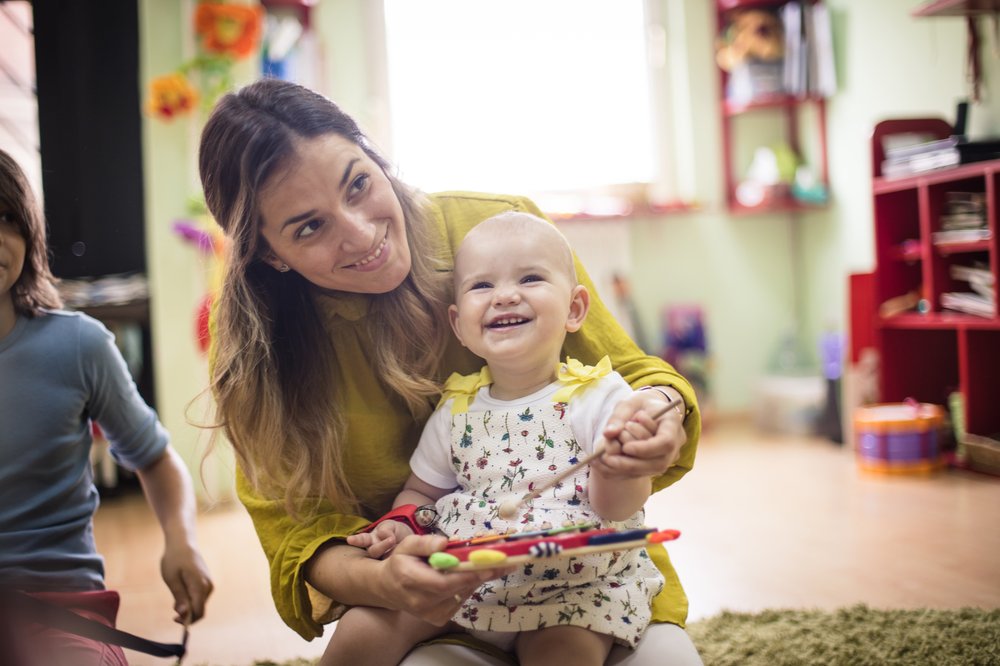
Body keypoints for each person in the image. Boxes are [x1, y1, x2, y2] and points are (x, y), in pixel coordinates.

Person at [198, 78, 702, 665]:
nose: (362, 235)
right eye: (309, 227)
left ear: (375, 157)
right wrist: (386, 574)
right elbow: (300, 535)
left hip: (588, 587)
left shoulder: (500, 231)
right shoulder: (259, 359)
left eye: (358, 184)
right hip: (435, 605)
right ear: (268, 254)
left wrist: (656, 419)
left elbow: (638, 380)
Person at [332, 211, 669, 665]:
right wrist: (402, 523)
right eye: (481, 286)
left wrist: (615, 465)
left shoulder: (601, 397)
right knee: (363, 629)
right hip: (469, 578)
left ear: (574, 310)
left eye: (529, 278)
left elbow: (618, 507)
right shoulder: (456, 407)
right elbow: (421, 491)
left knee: (563, 653)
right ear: (458, 325)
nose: (505, 296)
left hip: (573, 585)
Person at [0, 149, 214, 665]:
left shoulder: (78, 346)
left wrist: (180, 540)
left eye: (5, 217)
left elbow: (156, 459)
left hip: (60, 611)